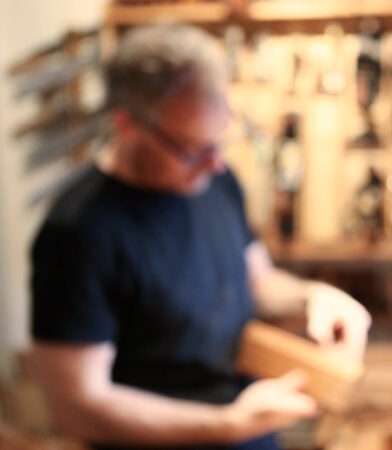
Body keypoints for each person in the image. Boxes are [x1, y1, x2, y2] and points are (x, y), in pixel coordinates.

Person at [29, 23, 371, 450]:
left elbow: (256, 281)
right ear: (126, 125)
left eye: (219, 141)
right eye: (193, 149)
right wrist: (227, 423)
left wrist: (313, 298)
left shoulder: (216, 182)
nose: (215, 164)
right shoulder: (77, 233)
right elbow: (77, 406)